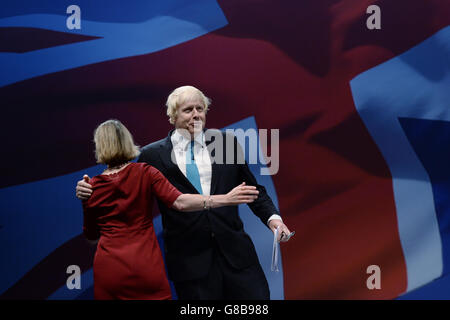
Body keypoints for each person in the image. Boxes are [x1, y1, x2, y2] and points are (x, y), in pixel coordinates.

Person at [77, 86, 292, 300]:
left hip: (237, 257)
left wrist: (274, 220)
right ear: (172, 116)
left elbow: (253, 190)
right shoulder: (152, 155)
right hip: (190, 265)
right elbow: (122, 189)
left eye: (201, 108)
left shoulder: (225, 143)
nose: (196, 114)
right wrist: (88, 189)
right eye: (188, 110)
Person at [83, 119, 260, 300]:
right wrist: (225, 199)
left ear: (100, 146)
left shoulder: (90, 187)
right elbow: (180, 202)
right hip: (145, 264)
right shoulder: (146, 172)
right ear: (127, 140)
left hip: (109, 269)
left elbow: (91, 235)